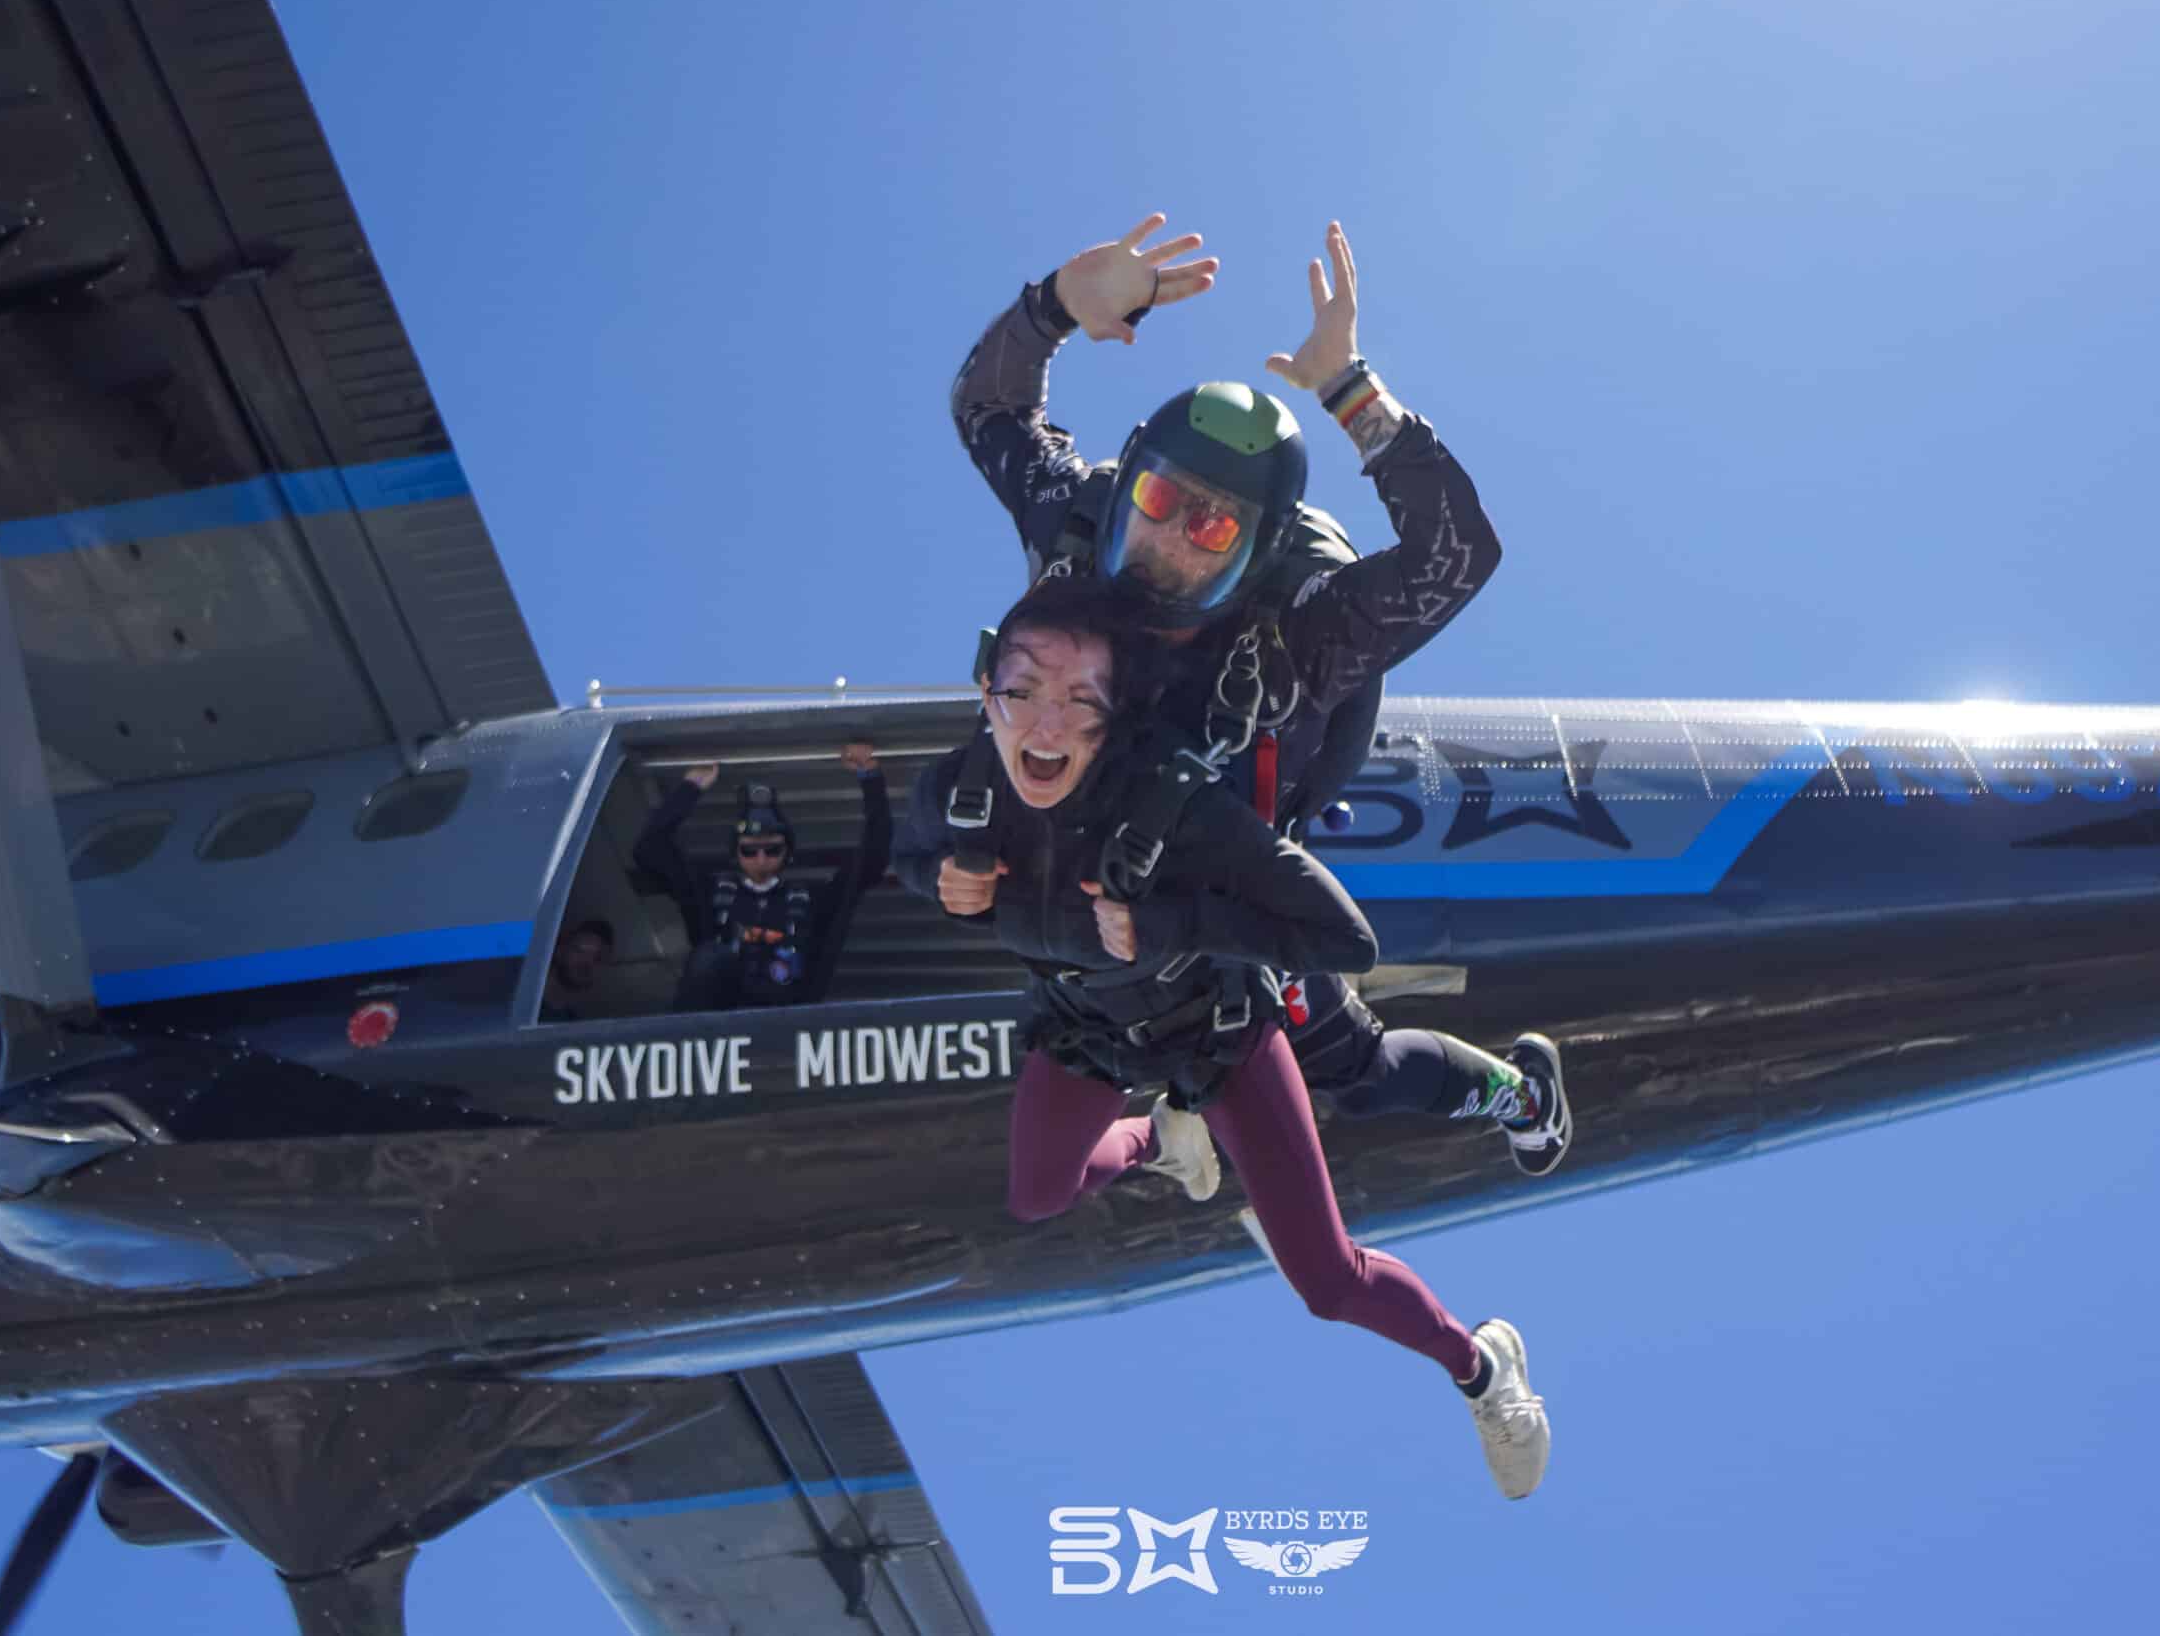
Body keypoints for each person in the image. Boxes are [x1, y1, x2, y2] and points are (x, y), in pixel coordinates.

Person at [892, 577, 1549, 1498]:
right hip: (1088, 1032)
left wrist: (1170, 923)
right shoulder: (957, 788)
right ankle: (1162, 1137)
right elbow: (905, 853)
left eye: (1080, 700)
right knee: (1038, 1197)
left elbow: (1342, 937)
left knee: (1326, 1279)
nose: (1044, 724)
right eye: (1022, 690)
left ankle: (1481, 1369)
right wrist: (940, 882)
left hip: (1221, 1037)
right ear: (984, 693)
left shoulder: (1173, 806)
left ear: (1115, 719)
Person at [950, 214, 1571, 1174]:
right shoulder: (1069, 527)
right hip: (1094, 859)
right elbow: (989, 409)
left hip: (1214, 868)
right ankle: (1164, 1132)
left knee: (1351, 1065)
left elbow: (1455, 557)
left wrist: (1351, 391)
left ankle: (1520, 1092)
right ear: (1125, 493)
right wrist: (1056, 308)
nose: (1173, 539)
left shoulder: (1285, 642)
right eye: (1160, 504)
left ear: (1254, 554)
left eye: (1214, 528)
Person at [633, 745, 891, 1012]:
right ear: (735, 853)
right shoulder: (708, 893)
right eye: (749, 850)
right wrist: (692, 786)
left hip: (786, 1022)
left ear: (788, 853)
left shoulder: (813, 900)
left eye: (772, 850)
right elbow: (650, 849)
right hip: (713, 1026)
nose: (761, 859)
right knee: (710, 956)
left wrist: (870, 779)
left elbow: (871, 861)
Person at [541, 919, 614, 1023]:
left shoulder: (571, 1022)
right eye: (580, 950)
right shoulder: (517, 1004)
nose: (587, 963)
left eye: (598, 958)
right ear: (559, 951)